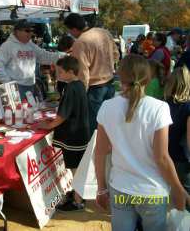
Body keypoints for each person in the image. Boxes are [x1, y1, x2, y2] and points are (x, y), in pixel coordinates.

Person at [95, 54, 189, 230]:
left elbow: (100, 152)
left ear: (120, 77)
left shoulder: (107, 106)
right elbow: (161, 158)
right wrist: (178, 188)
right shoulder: (159, 108)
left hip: (121, 188)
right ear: (149, 77)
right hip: (152, 192)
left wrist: (101, 188)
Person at [37, 56, 90, 211]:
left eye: (60, 71)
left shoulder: (72, 88)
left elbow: (63, 115)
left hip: (74, 135)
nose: (57, 74)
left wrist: (49, 125)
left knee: (75, 168)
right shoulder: (79, 85)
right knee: (76, 167)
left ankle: (78, 201)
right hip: (80, 133)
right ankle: (77, 194)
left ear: (70, 71)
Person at [64, 13, 119, 136]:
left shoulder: (80, 42)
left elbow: (83, 73)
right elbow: (116, 55)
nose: (70, 34)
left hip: (94, 89)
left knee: (94, 126)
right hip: (109, 84)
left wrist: (80, 94)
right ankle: (106, 148)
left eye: (69, 31)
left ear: (73, 29)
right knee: (107, 122)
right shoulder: (104, 33)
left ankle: (94, 153)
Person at [0, 20, 65, 99]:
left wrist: (62, 56)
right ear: (17, 31)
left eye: (31, 30)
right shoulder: (7, 46)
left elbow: (44, 56)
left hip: (31, 85)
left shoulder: (30, 45)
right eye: (27, 31)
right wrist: (9, 84)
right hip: (16, 87)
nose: (30, 33)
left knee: (31, 110)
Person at [164, 66, 190, 201]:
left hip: (164, 155)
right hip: (182, 158)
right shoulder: (188, 107)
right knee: (184, 194)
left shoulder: (162, 104)